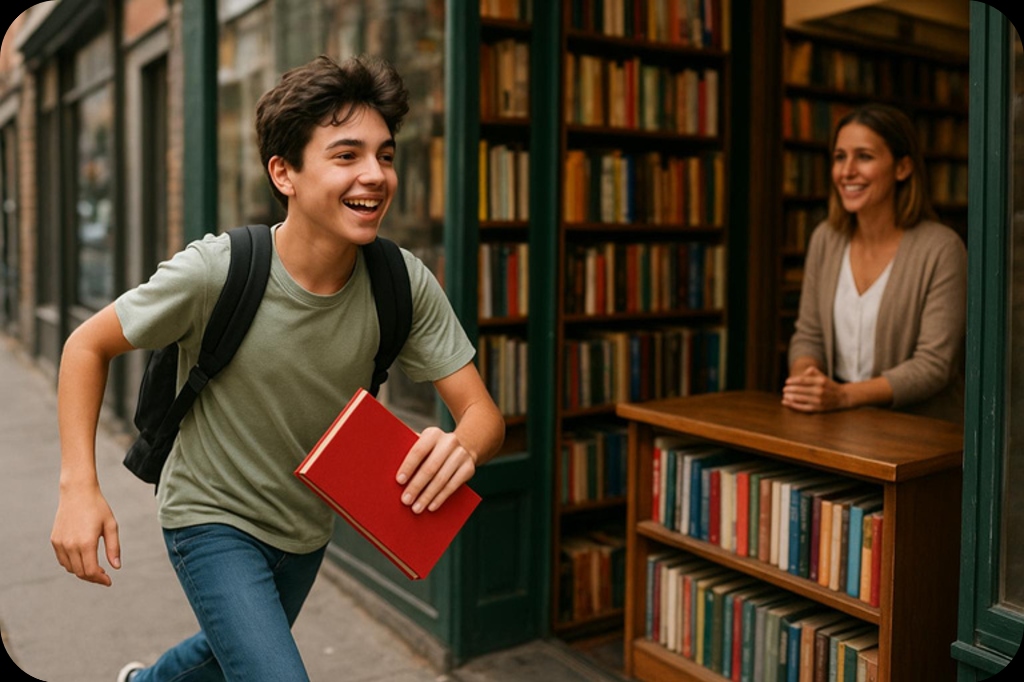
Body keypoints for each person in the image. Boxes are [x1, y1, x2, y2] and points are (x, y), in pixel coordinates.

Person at [49, 54, 505, 682]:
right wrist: (79, 487)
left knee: (219, 655)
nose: (375, 175)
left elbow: (482, 413)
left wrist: (463, 447)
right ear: (283, 173)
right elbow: (84, 346)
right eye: (346, 156)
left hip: (307, 527)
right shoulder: (217, 270)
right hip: (209, 515)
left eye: (386, 155)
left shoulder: (402, 282)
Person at [782, 103, 967, 423]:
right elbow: (809, 335)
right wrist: (807, 382)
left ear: (902, 168)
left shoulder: (941, 248)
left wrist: (843, 396)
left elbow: (934, 365)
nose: (847, 171)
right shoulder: (826, 238)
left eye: (864, 156)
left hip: (919, 434)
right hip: (838, 423)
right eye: (840, 157)